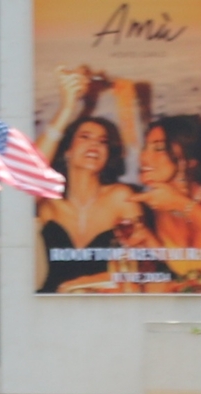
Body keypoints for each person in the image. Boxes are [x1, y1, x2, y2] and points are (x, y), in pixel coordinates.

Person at [33, 70, 145, 294]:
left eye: (102, 141)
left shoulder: (120, 197)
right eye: (85, 137)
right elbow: (27, 174)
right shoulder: (49, 204)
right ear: (67, 151)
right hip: (48, 309)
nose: (95, 145)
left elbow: (138, 268)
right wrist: (66, 109)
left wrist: (77, 286)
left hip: (102, 307)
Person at [126, 112, 201, 294]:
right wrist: (150, 241)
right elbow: (187, 272)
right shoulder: (161, 206)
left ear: (189, 161)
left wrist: (180, 204)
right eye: (146, 147)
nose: (144, 156)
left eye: (159, 148)